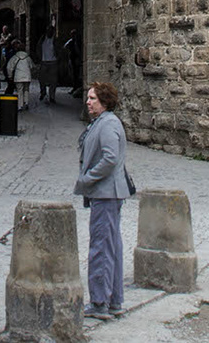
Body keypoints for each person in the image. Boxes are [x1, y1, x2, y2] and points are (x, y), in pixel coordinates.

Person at [73, 81, 134, 321]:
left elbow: (110, 159)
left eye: (92, 99)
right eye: (88, 98)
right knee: (111, 247)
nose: (88, 102)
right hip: (107, 193)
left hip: (106, 193)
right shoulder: (103, 122)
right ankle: (114, 300)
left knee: (101, 248)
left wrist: (88, 179)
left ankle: (100, 302)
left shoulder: (108, 124)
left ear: (105, 102)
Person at [7, 38, 35, 103]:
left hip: (18, 76)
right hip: (27, 76)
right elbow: (32, 66)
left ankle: (20, 105)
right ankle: (26, 102)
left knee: (19, 90)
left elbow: (9, 67)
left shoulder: (15, 57)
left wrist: (10, 76)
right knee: (26, 90)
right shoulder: (28, 57)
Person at [37, 29, 58, 103]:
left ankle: (52, 96)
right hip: (44, 61)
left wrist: (57, 58)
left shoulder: (55, 40)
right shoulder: (43, 39)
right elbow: (38, 47)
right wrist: (40, 57)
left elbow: (58, 49)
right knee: (41, 79)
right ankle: (43, 92)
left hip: (53, 62)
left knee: (53, 81)